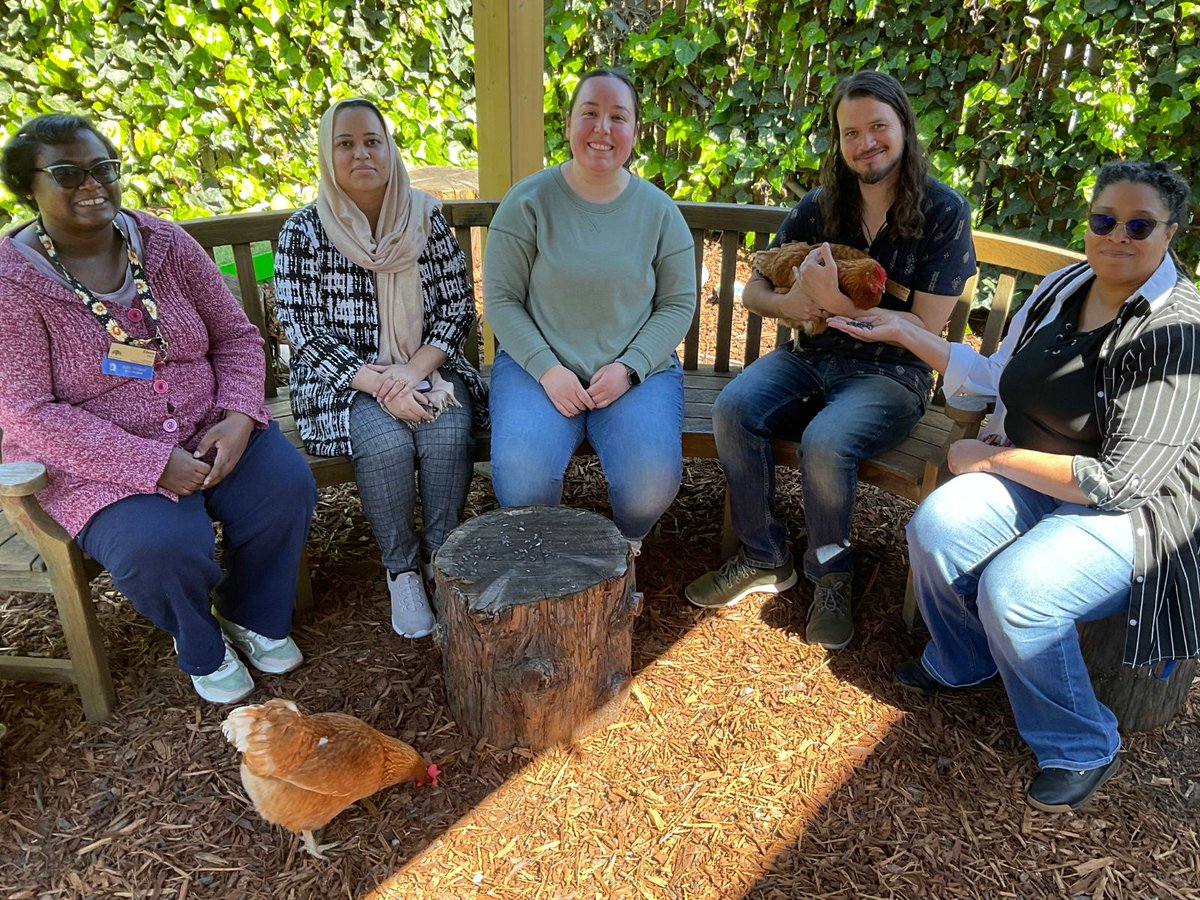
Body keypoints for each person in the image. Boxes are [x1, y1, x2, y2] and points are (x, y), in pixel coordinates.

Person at [829, 160, 1199, 812]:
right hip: (1038, 474)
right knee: (937, 526)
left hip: (1140, 513)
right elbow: (996, 375)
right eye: (1104, 219)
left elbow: (1119, 481)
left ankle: (1081, 743)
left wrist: (995, 461)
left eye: (1140, 225)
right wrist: (908, 333)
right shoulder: (1065, 286)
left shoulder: (1178, 330)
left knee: (1019, 591)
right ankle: (966, 656)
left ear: (1173, 231)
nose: (1117, 236)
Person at [0, 114, 316, 704]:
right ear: (28, 187)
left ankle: (247, 609)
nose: (91, 184)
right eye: (67, 173)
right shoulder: (12, 282)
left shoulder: (166, 243)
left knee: (285, 486)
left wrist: (240, 416)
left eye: (103, 169)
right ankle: (201, 641)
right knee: (160, 548)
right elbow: (27, 414)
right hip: (96, 461)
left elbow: (236, 337)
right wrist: (149, 463)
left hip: (209, 423)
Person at [685, 70, 977, 650]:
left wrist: (842, 306)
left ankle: (830, 572)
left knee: (826, 440)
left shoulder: (943, 212)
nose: (866, 142)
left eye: (877, 127)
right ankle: (766, 555)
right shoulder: (821, 206)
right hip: (811, 357)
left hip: (892, 373)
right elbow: (754, 291)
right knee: (734, 409)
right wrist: (793, 303)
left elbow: (924, 327)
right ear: (839, 143)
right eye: (851, 133)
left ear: (903, 129)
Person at [274, 98, 486, 639]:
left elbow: (457, 305)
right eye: (345, 143)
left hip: (427, 367)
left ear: (389, 149)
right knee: (388, 443)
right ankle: (402, 570)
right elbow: (302, 328)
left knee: (447, 429)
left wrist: (411, 372)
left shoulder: (425, 217)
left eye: (373, 141)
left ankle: (444, 559)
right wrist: (378, 382)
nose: (361, 153)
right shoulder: (304, 232)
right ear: (328, 154)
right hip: (343, 383)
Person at [483, 68, 696, 549]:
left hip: (633, 375)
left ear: (635, 132)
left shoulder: (660, 213)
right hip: (538, 369)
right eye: (590, 114)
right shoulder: (528, 202)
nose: (603, 129)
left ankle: (623, 549)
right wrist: (546, 369)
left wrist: (630, 367)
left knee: (648, 485)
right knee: (522, 484)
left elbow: (678, 304)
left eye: (618, 117)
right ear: (569, 123)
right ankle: (550, 562)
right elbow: (501, 300)